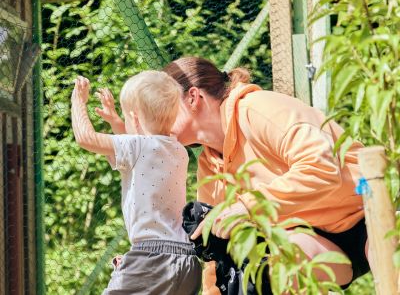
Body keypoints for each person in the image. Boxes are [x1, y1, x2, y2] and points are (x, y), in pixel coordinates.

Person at [98, 57, 370, 294]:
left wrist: (245, 207)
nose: (157, 115)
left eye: (165, 103)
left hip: (368, 207)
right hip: (324, 244)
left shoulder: (257, 108)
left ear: (193, 97)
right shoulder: (209, 164)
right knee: (258, 270)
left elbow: (321, 168)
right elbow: (215, 258)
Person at [71, 72, 202, 295]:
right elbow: (138, 148)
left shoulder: (139, 146)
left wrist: (78, 102)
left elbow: (86, 138)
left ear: (137, 120)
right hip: (187, 261)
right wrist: (115, 121)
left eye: (125, 115)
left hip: (152, 258)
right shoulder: (179, 151)